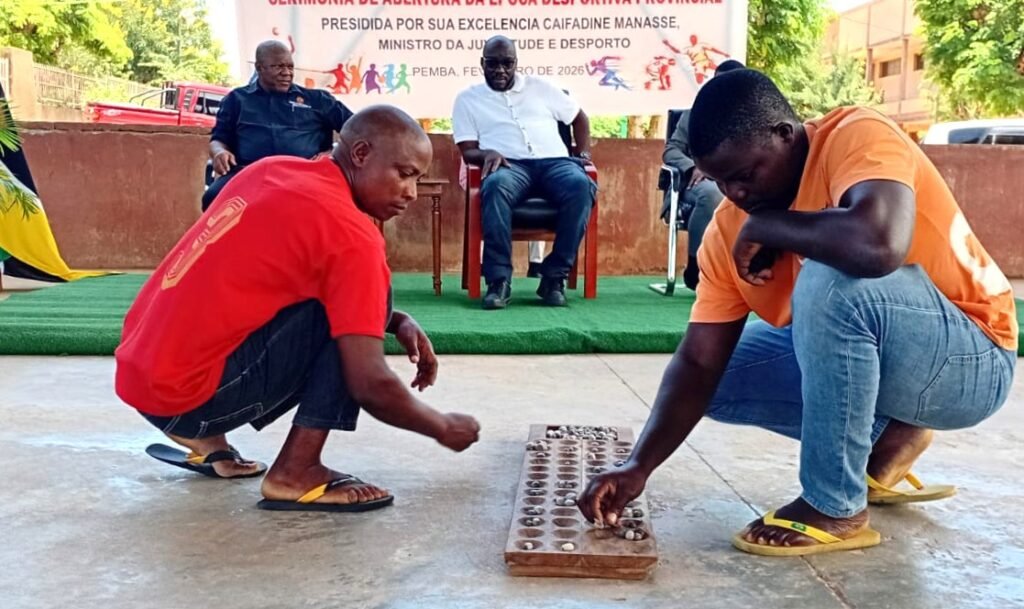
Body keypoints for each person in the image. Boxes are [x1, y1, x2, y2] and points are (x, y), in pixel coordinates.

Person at [579, 69, 1017, 556]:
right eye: (720, 180)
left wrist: (777, 226)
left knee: (831, 278)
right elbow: (700, 361)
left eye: (745, 175)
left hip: (973, 358)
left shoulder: (855, 135)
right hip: (892, 364)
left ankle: (834, 505)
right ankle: (891, 434)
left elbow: (878, 243)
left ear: (786, 135)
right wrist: (639, 465)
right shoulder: (729, 230)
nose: (735, 194)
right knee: (718, 379)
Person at [116, 106, 481, 511]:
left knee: (366, 300)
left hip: (142, 381)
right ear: (360, 154)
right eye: (404, 173)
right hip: (188, 401)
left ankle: (207, 441)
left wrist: (396, 321)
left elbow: (258, 270)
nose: (411, 192)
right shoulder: (351, 236)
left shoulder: (271, 169)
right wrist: (442, 427)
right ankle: (296, 470)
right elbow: (369, 382)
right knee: (366, 299)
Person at [452, 35, 597, 309]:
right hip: (509, 166)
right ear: (482, 63)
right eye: (493, 64)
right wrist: (486, 154)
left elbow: (579, 117)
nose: (500, 70)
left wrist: (584, 154)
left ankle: (554, 277)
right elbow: (468, 150)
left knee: (581, 185)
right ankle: (498, 281)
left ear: (516, 63)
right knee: (494, 188)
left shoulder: (541, 88)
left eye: (507, 63)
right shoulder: (467, 100)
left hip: (555, 163)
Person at [204, 40, 354, 210]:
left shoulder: (318, 100)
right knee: (212, 197)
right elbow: (218, 139)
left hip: (306, 175)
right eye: (278, 67)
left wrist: (331, 153)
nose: (287, 73)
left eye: (290, 67)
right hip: (249, 174)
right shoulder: (237, 99)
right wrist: (220, 152)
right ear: (259, 68)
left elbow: (357, 129)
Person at [662, 59, 745, 289]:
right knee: (712, 194)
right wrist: (693, 167)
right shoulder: (695, 114)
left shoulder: (750, 118)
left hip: (735, 181)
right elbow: (671, 150)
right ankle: (695, 267)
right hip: (695, 184)